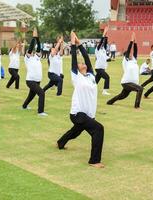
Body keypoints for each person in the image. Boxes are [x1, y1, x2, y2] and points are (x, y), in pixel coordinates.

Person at [57, 31, 105, 169]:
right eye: (79, 63)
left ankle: (61, 143)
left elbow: (87, 58)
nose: (82, 63)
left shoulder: (90, 75)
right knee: (99, 129)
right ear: (77, 68)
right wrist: (72, 45)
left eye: (82, 62)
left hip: (88, 115)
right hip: (78, 114)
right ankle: (94, 161)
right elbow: (73, 59)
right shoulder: (76, 76)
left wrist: (79, 44)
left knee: (76, 132)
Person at [107, 32, 143, 109]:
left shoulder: (134, 60)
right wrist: (131, 41)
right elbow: (129, 49)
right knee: (140, 89)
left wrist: (135, 41)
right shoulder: (125, 61)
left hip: (132, 83)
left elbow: (135, 50)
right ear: (126, 55)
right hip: (126, 82)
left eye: (131, 54)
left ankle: (110, 102)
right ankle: (137, 106)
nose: (131, 54)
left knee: (123, 96)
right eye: (129, 54)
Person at [22, 29, 48, 116]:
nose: (31, 52)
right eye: (29, 51)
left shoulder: (37, 57)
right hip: (30, 80)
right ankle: (40, 112)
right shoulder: (27, 58)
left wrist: (37, 38)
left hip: (37, 80)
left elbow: (38, 47)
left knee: (31, 95)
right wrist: (34, 38)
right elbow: (31, 47)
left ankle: (24, 106)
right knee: (41, 93)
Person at [95, 25, 111, 95]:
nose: (101, 44)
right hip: (99, 68)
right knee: (107, 77)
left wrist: (106, 34)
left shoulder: (103, 50)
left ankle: (90, 88)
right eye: (99, 44)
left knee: (96, 81)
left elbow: (105, 42)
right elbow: (102, 41)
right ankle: (104, 91)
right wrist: (104, 33)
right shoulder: (97, 50)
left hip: (102, 68)